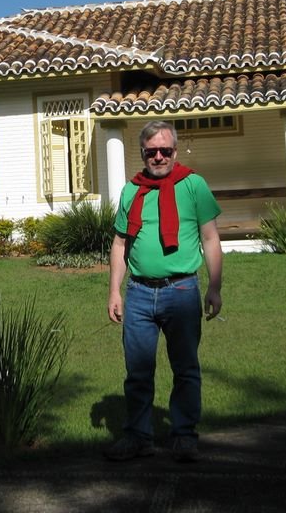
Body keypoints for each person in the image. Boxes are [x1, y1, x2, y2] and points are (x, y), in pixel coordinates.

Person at [104, 119, 223, 463]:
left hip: (182, 290)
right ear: (142, 153)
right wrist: (115, 290)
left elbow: (211, 238)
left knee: (185, 368)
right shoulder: (131, 190)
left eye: (165, 151)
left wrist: (214, 288)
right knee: (138, 371)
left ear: (175, 150)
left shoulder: (193, 186)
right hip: (139, 293)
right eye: (151, 151)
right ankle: (138, 436)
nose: (158, 157)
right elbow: (119, 243)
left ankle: (184, 436)